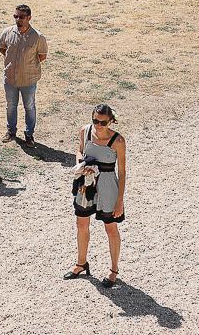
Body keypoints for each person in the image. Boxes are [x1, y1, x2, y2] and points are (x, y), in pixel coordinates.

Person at [65, 104, 127, 288]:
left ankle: (114, 270)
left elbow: (122, 172)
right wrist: (82, 164)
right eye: (95, 121)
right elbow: (79, 150)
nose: (98, 125)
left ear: (111, 121)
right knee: (81, 224)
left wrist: (120, 201)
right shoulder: (85, 131)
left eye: (103, 122)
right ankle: (81, 263)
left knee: (111, 228)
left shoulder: (118, 141)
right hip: (87, 183)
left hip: (108, 186)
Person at [0, 4, 48, 144]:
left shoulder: (38, 37)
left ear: (29, 18)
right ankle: (11, 132)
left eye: (21, 17)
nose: (17, 19)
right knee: (11, 106)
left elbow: (42, 56)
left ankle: (29, 134)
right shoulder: (7, 32)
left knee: (29, 107)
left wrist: (25, 65)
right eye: (16, 16)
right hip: (10, 79)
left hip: (28, 79)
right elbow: (3, 49)